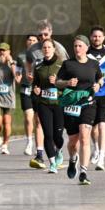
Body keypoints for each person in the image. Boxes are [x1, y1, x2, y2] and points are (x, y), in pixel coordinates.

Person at [25, 20, 68, 168]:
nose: (42, 37)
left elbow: (67, 70)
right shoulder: (32, 49)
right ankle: (40, 155)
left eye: (45, 34)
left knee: (57, 132)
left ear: (51, 33)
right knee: (39, 123)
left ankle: (58, 150)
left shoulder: (59, 48)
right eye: (40, 35)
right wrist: (29, 75)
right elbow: (29, 64)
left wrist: (59, 81)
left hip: (58, 98)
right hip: (41, 95)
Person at [59, 35, 102, 185]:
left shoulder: (93, 64)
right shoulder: (68, 64)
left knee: (84, 137)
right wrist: (67, 82)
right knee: (73, 142)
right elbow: (57, 82)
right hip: (71, 105)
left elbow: (100, 78)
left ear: (86, 47)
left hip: (88, 103)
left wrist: (98, 85)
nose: (77, 49)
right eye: (75, 46)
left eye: (80, 46)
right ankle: (73, 159)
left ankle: (83, 172)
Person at [31, 39, 66, 174]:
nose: (46, 49)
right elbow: (35, 84)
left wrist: (57, 82)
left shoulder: (62, 64)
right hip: (44, 103)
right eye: (44, 47)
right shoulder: (38, 66)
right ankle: (52, 163)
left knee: (58, 136)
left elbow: (68, 84)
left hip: (58, 103)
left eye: (49, 47)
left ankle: (59, 150)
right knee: (48, 134)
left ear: (54, 49)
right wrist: (36, 89)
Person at [87, 26, 105, 170]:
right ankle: (96, 148)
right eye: (94, 36)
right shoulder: (86, 52)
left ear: (103, 38)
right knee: (93, 128)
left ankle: (101, 159)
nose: (97, 38)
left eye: (99, 36)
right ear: (90, 37)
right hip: (90, 93)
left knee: (102, 125)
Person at [15, 33, 39, 155]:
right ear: (26, 42)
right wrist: (17, 76)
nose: (31, 42)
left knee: (38, 120)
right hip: (26, 89)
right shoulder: (21, 56)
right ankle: (29, 142)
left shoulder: (42, 54)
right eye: (29, 40)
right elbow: (18, 71)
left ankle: (39, 145)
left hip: (39, 90)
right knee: (28, 118)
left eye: (34, 40)